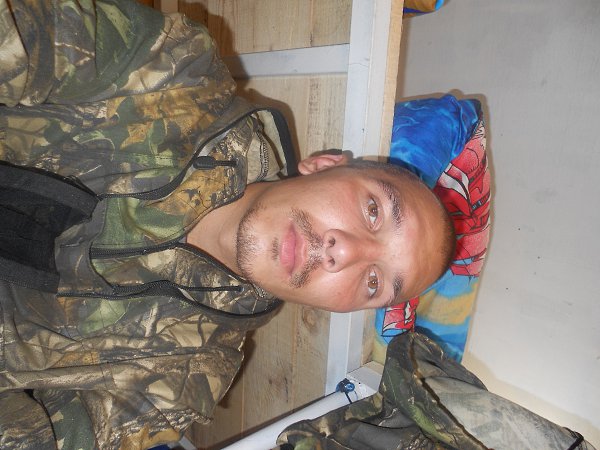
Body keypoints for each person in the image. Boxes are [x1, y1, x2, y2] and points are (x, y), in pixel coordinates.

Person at [0, 0, 454, 449]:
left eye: (373, 282)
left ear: (336, 307)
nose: (346, 252)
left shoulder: (183, 380)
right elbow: (20, 35)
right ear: (324, 164)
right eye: (373, 210)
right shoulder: (172, 72)